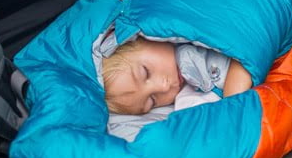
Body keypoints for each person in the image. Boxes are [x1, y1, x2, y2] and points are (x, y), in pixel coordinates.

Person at [101, 37, 252, 116]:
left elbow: (243, 58)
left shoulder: (189, 55)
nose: (164, 87)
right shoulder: (187, 92)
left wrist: (232, 107)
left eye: (146, 72)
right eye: (152, 100)